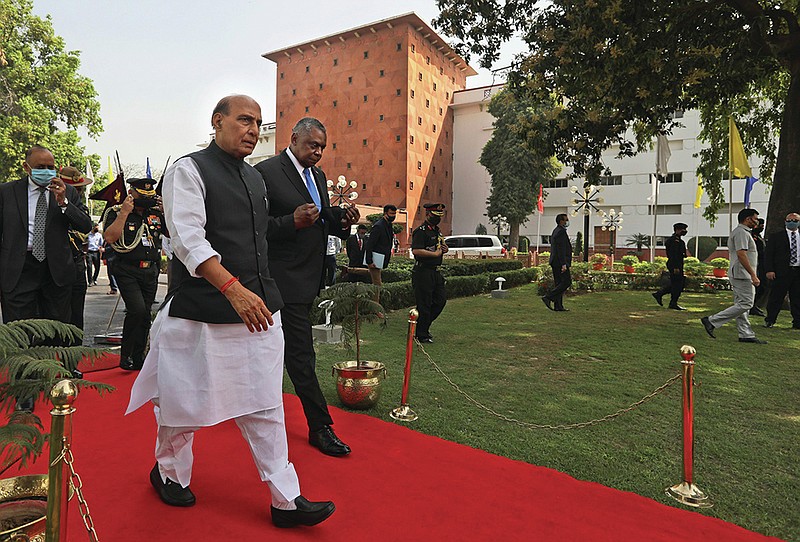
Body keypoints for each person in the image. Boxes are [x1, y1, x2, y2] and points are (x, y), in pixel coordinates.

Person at [127, 95, 334, 528]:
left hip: (260, 311)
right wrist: (234, 290)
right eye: (243, 120)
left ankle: (285, 498)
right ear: (217, 122)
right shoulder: (189, 169)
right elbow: (187, 240)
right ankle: (168, 472)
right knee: (183, 406)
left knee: (265, 404)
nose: (253, 129)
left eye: (258, 122)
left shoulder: (256, 180)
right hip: (199, 314)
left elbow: (262, 239)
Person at [255, 117, 360, 457]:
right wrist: (291, 222)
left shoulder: (318, 176)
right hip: (276, 282)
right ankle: (320, 427)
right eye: (312, 145)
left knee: (279, 354)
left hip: (308, 279)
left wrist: (343, 220)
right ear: (294, 137)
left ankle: (244, 408)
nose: (318, 152)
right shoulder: (266, 172)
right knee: (300, 356)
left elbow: (323, 217)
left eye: (322, 148)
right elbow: (254, 228)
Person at [0, 145, 92, 324]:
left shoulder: (68, 192)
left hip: (55, 271)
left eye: (50, 167)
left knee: (56, 330)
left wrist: (64, 202)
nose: (46, 171)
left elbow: (85, 225)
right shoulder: (7, 192)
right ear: (27, 167)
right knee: (19, 330)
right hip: (19, 270)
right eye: (40, 167)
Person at [102, 178, 165, 370]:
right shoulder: (116, 211)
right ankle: (126, 354)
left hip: (150, 270)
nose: (146, 199)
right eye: (141, 195)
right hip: (127, 269)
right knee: (136, 309)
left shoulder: (154, 214)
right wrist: (124, 213)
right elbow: (110, 237)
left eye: (149, 195)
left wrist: (167, 212)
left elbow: (170, 234)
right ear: (131, 194)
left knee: (145, 314)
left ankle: (139, 357)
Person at [700, 208, 766, 343]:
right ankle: (712, 321)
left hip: (742, 273)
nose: (757, 222)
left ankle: (745, 334)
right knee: (747, 303)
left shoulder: (744, 232)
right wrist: (753, 275)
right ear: (748, 219)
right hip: (742, 274)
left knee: (741, 303)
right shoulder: (741, 232)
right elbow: (742, 254)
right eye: (755, 218)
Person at [59, 166, 94, 335]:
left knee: (76, 316)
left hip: (76, 263)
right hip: (55, 266)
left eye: (80, 189)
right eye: (76, 188)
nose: (79, 192)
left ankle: (75, 355)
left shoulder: (79, 207)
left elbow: (85, 226)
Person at [411, 203, 449, 343]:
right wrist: (434, 254)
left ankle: (421, 326)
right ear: (427, 214)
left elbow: (439, 246)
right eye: (435, 215)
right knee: (424, 304)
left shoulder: (436, 231)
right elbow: (416, 250)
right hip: (422, 271)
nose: (437, 218)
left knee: (440, 301)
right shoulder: (420, 231)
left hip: (435, 272)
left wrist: (444, 249)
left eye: (439, 216)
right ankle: (421, 334)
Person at [763, 212, 800, 329]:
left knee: (797, 298)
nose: (791, 222)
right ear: (785, 221)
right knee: (776, 297)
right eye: (789, 220)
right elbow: (768, 255)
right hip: (781, 272)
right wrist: (769, 270)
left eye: (795, 220)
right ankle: (770, 320)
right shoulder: (776, 237)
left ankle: (797, 322)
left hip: (798, 271)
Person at [652, 222, 688, 310]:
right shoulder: (674, 241)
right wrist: (676, 267)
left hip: (678, 263)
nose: (685, 231)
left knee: (677, 284)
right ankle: (671, 301)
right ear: (677, 230)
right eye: (683, 229)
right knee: (678, 284)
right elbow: (673, 254)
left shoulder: (679, 241)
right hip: (674, 264)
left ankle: (661, 295)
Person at [542, 213, 573, 312]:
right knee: (566, 282)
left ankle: (558, 306)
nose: (567, 222)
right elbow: (561, 249)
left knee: (559, 283)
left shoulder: (556, 231)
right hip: (560, 262)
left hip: (555, 261)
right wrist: (564, 263)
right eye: (565, 220)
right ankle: (548, 297)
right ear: (561, 221)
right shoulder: (561, 232)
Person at [364, 204, 397, 287]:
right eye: (391, 213)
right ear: (385, 213)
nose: (393, 216)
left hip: (382, 258)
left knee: (376, 280)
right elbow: (370, 244)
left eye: (394, 214)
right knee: (377, 284)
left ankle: (350, 270)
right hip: (376, 259)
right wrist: (369, 261)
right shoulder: (379, 226)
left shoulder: (389, 225)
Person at [750, 218, 768, 317]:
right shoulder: (751, 236)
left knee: (763, 286)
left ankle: (754, 305)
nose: (762, 227)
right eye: (760, 225)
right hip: (755, 264)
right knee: (759, 286)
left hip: (762, 264)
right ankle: (751, 306)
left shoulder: (759, 236)